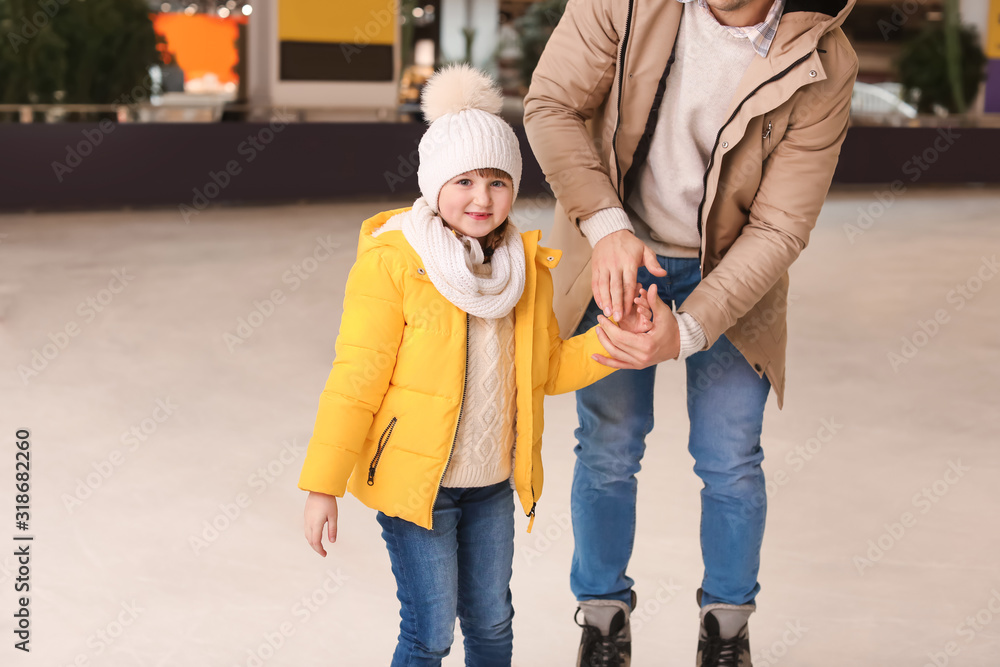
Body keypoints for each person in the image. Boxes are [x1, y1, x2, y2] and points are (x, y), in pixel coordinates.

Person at [523, 0, 859, 664]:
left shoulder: (827, 59)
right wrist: (606, 225)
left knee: (730, 457)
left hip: (732, 273)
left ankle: (726, 632)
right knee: (608, 447)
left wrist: (693, 326)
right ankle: (603, 621)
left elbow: (780, 226)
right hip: (617, 251)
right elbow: (551, 105)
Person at [297, 64, 652, 667]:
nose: (481, 198)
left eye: (497, 181)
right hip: (420, 489)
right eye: (463, 181)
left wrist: (612, 339)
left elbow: (543, 373)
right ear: (434, 184)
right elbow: (355, 377)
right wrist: (322, 483)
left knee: (492, 624)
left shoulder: (526, 270)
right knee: (430, 634)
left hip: (491, 483)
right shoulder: (394, 265)